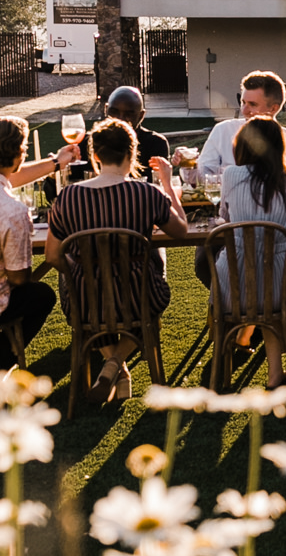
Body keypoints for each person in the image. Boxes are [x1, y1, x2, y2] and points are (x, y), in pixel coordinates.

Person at [44, 117, 190, 401]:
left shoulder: (68, 197)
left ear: (95, 155)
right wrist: (168, 185)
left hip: (86, 300)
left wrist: (76, 271)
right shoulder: (147, 193)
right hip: (139, 296)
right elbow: (181, 232)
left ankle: (114, 366)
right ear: (132, 153)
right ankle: (116, 364)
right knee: (152, 278)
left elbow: (52, 256)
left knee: (71, 278)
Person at [212, 118, 286, 383]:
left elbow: (225, 218)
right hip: (280, 286)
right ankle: (274, 374)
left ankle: (227, 371)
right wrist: (281, 256)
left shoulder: (230, 176)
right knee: (271, 296)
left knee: (254, 284)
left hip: (232, 286)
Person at [0, 118, 56, 358]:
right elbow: (19, 277)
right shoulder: (13, 211)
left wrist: (56, 162)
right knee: (41, 295)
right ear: (19, 156)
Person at [196, 72, 286, 177]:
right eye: (243, 102)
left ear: (274, 108)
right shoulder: (223, 131)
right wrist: (188, 165)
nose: (244, 110)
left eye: (253, 104)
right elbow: (201, 177)